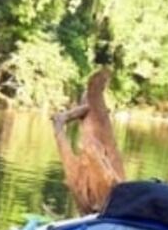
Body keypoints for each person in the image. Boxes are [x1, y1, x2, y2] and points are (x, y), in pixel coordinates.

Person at [51, 68, 126, 214]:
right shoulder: (90, 118)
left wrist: (66, 117)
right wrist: (65, 118)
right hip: (92, 161)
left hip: (108, 191)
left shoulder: (98, 121)